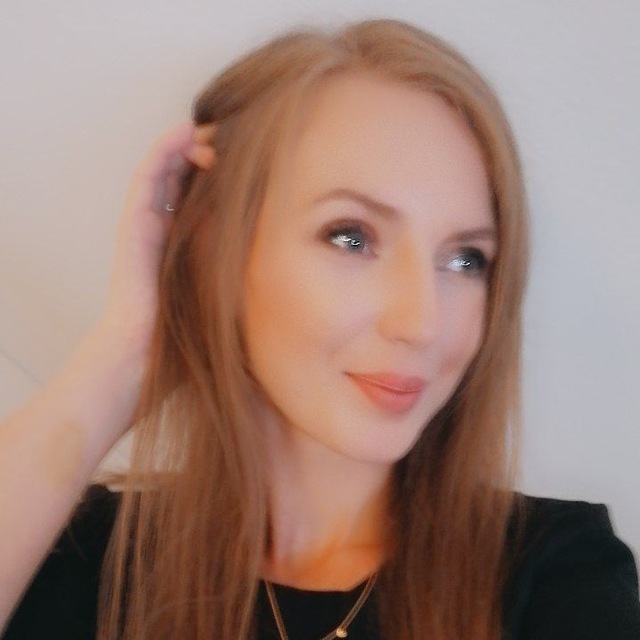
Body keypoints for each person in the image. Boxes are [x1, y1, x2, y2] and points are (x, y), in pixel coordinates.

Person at [1, 17, 639, 640]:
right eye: (351, 237)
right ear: (217, 251)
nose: (422, 323)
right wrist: (126, 354)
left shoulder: (556, 576)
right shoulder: (77, 557)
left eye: (466, 259)